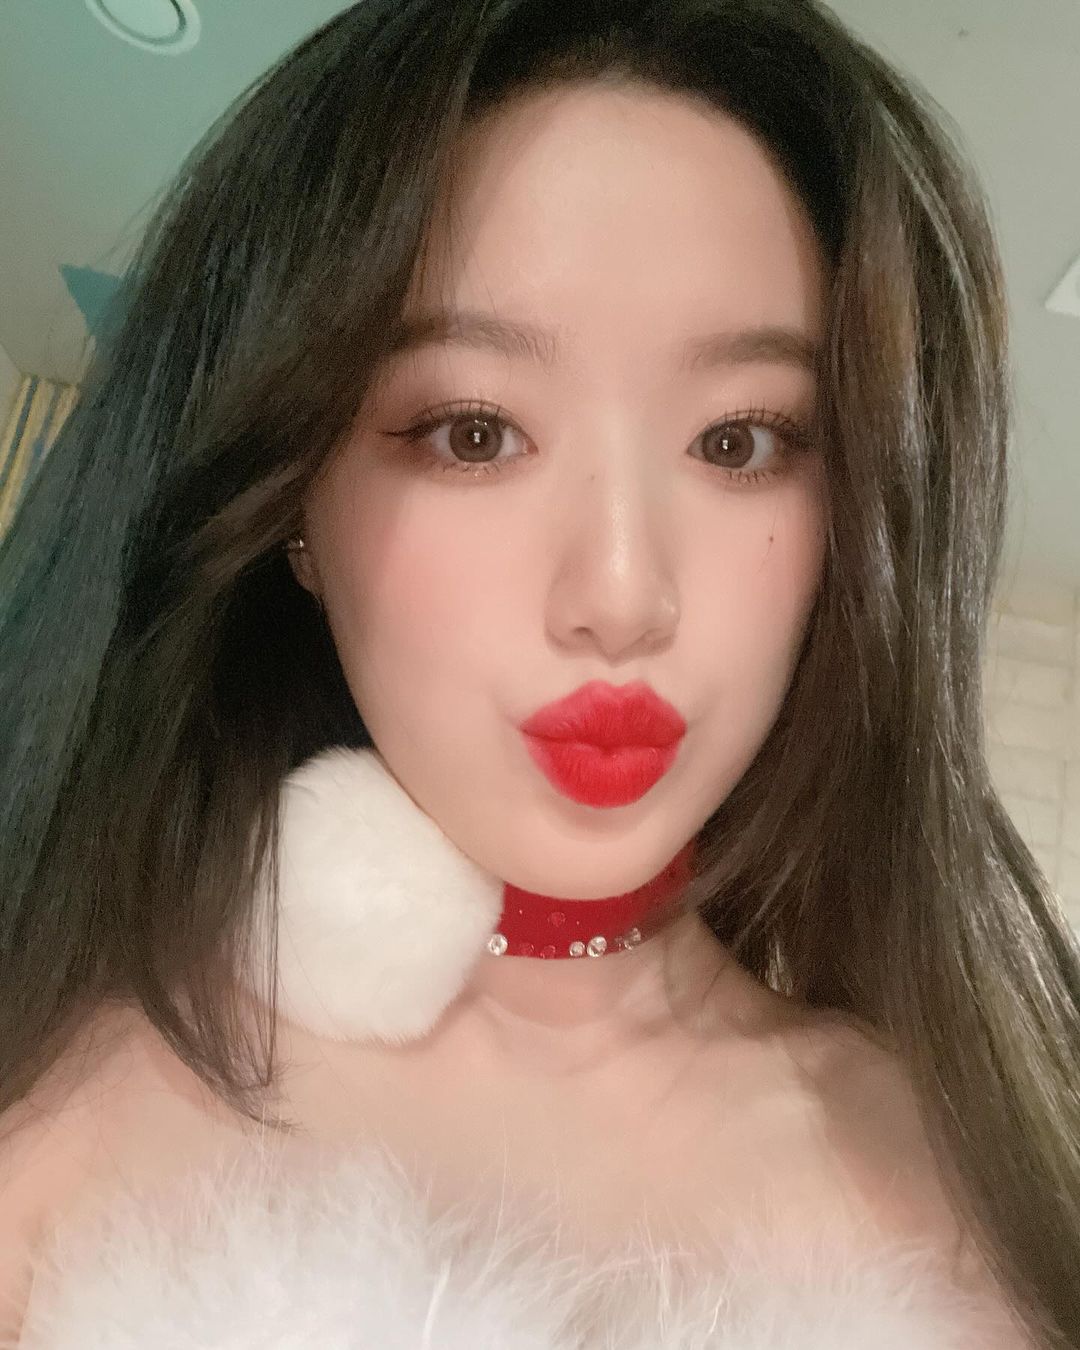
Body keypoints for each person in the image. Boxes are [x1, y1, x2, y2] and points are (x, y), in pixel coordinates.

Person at [0, 0, 1077, 1345]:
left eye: (740, 441)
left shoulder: (974, 1179)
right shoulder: (71, 1125)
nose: (622, 594)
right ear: (292, 508)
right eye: (473, 432)